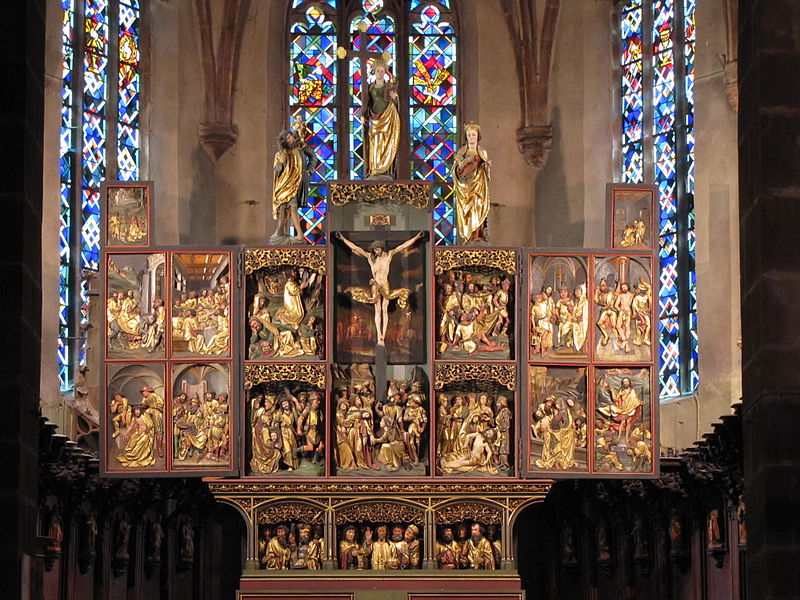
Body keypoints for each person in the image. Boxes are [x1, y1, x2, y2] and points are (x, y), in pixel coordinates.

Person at [336, 231, 425, 346]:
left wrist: (417, 237)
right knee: (377, 310)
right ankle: (380, 337)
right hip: (375, 285)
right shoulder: (370, 258)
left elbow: (403, 246)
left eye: (377, 249)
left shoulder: (389, 255)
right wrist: (342, 239)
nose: (376, 251)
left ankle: (383, 334)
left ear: (382, 248)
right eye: (375, 250)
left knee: (384, 310)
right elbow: (355, 248)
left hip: (385, 285)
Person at [272, 129, 320, 243]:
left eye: (291, 136)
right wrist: (280, 162)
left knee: (289, 210)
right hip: (286, 185)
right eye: (288, 138)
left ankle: (280, 233)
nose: (291, 139)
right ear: (284, 142)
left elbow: (313, 157)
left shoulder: (301, 148)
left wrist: (309, 170)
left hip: (298, 182)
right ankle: (298, 234)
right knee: (290, 207)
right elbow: (277, 170)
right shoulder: (281, 154)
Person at [453, 123, 491, 244]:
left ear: (478, 136)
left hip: (478, 186)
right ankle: (469, 237)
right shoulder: (461, 152)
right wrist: (463, 164)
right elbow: (455, 170)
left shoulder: (482, 152)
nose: (471, 137)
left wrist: (486, 165)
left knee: (477, 205)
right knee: (467, 210)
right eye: (469, 135)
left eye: (473, 135)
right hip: (465, 187)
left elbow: (486, 170)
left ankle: (477, 234)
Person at [364, 59, 400, 178]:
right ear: (374, 72)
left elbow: (395, 102)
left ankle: (385, 170)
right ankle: (375, 168)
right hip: (375, 119)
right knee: (375, 142)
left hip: (388, 118)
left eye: (382, 71)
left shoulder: (389, 87)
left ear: (385, 72)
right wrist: (363, 114)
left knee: (386, 142)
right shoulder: (370, 88)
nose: (379, 73)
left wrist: (394, 98)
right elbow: (366, 103)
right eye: (378, 71)